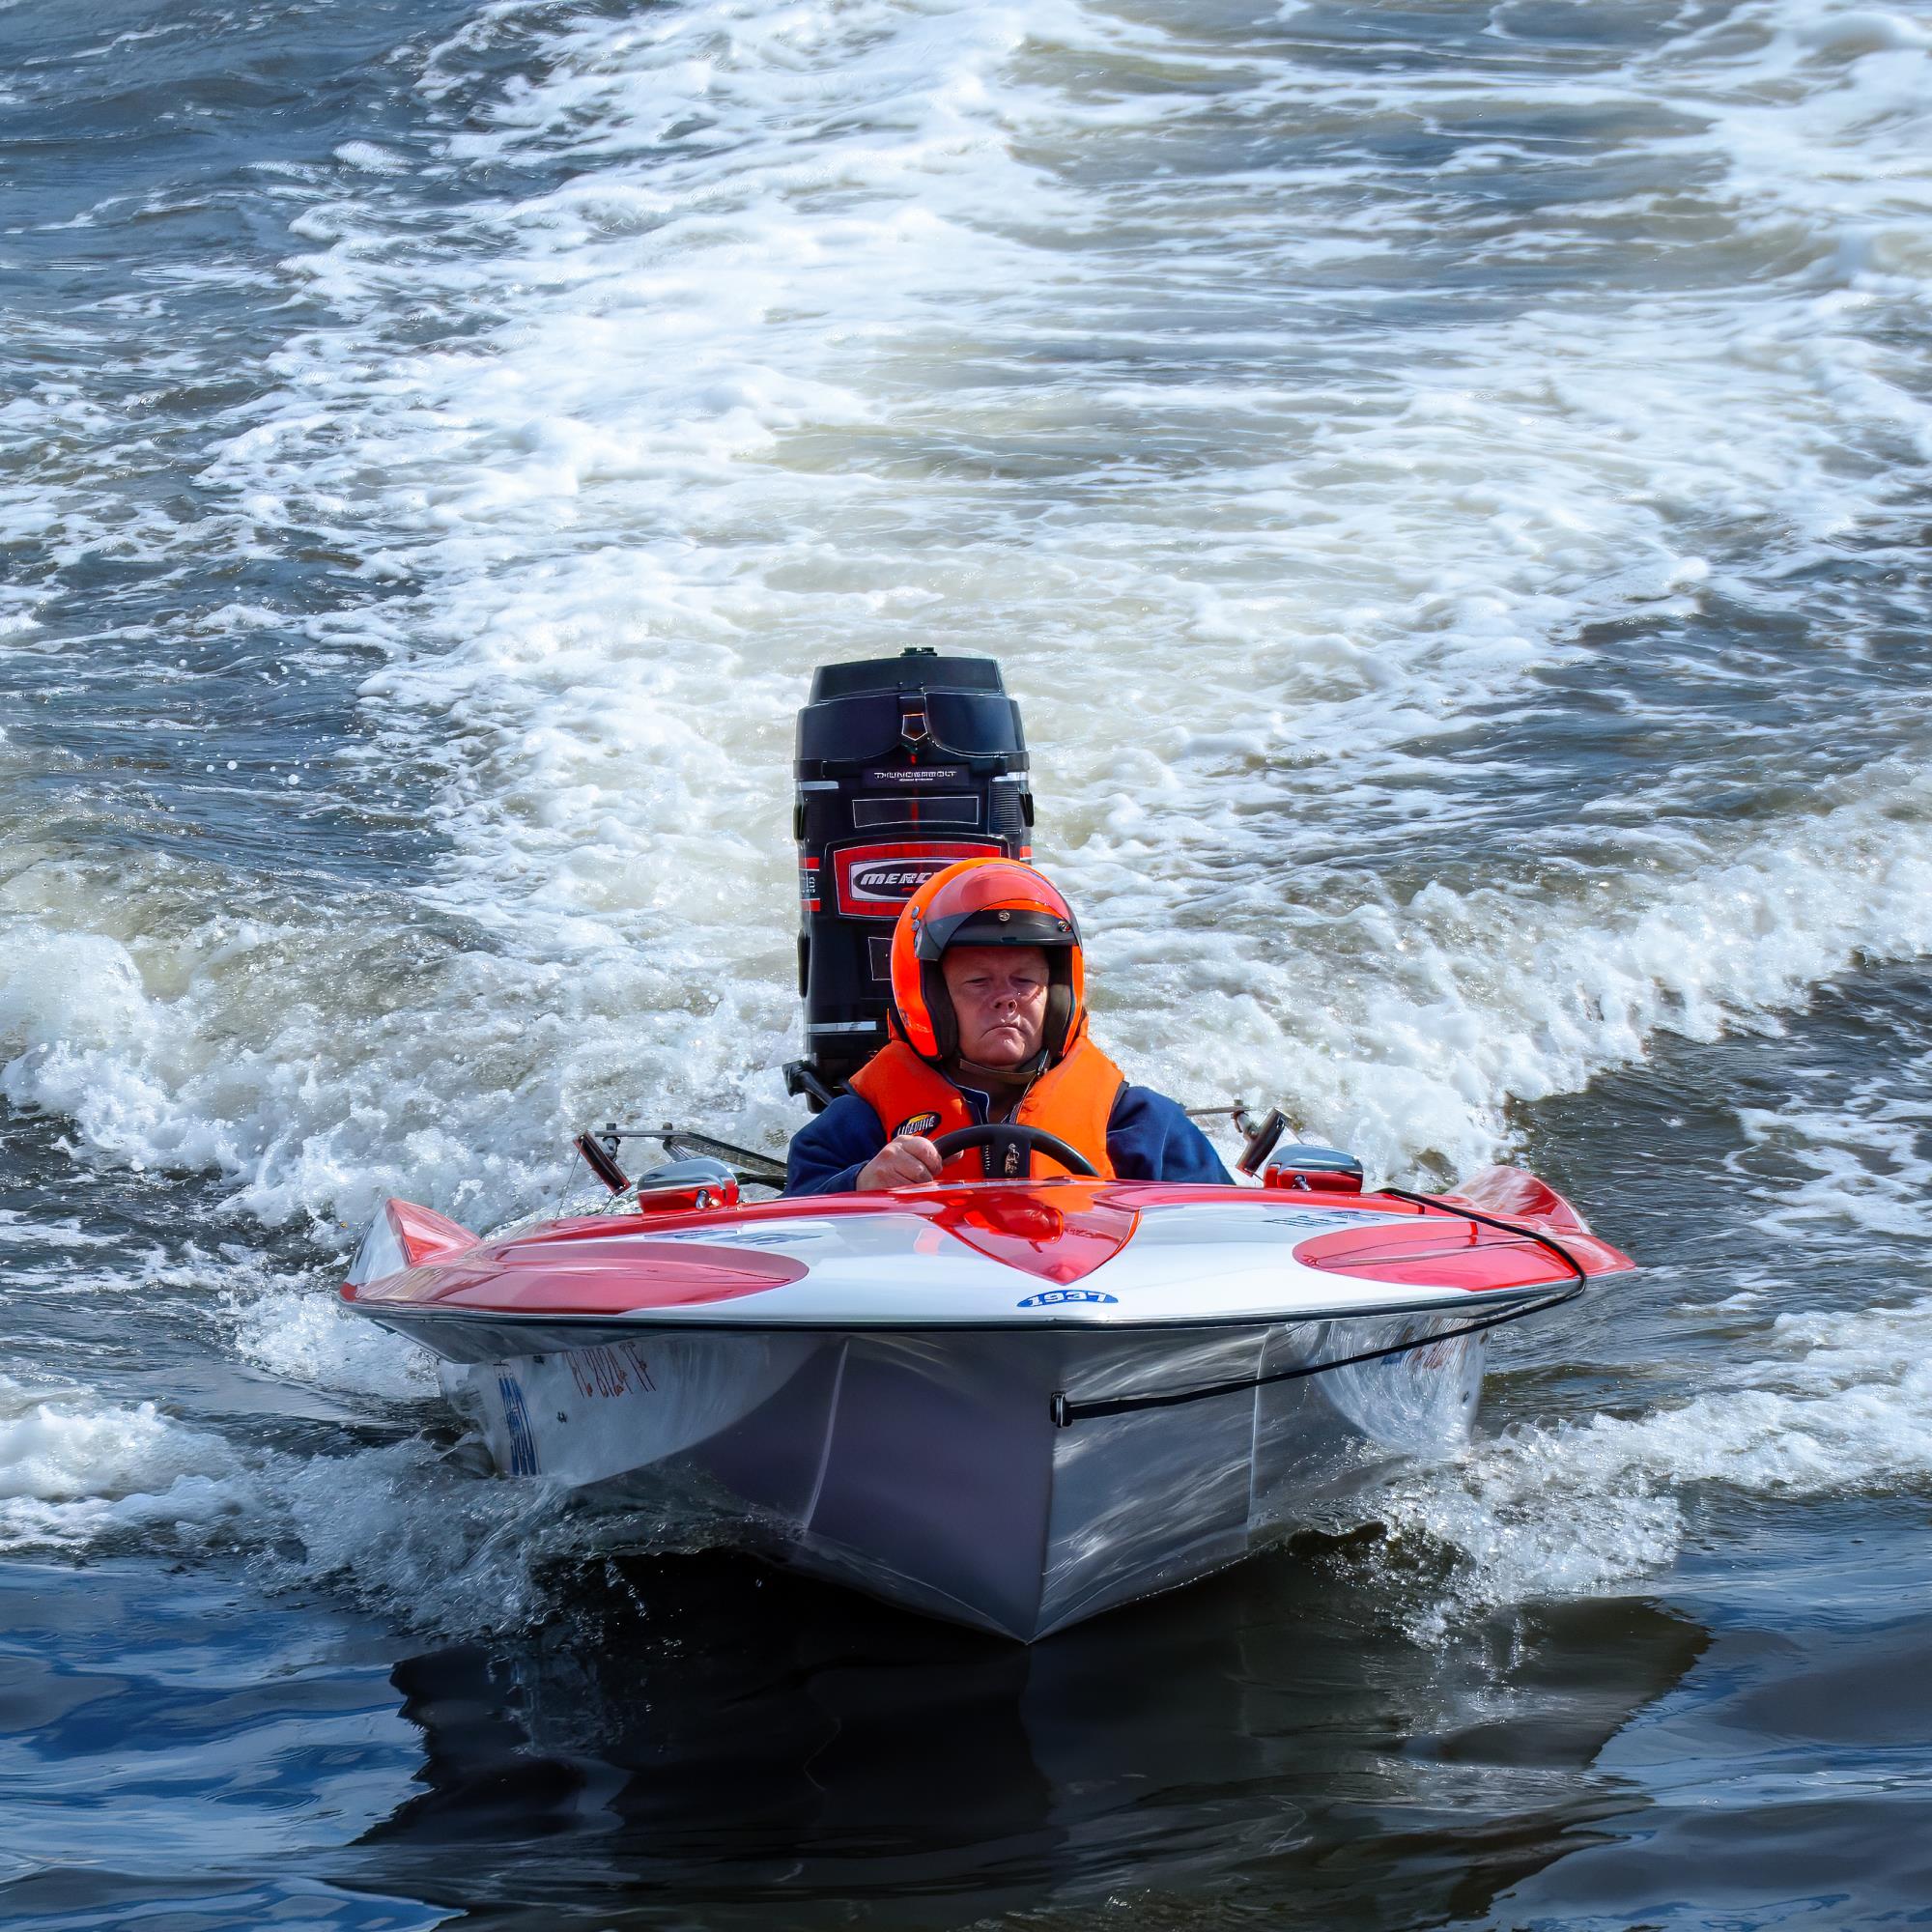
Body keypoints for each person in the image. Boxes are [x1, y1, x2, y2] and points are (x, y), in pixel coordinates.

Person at [784, 858, 1232, 1193]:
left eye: (1025, 980)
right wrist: (860, 1184)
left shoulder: (1140, 1124)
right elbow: (791, 1230)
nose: (1006, 998)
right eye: (978, 982)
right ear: (932, 1001)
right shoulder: (859, 1122)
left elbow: (1224, 1234)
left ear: (1058, 997)